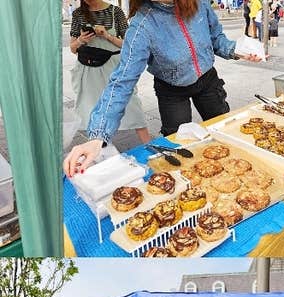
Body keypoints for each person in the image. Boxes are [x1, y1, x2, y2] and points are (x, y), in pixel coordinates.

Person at [63, 0, 264, 177]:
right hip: (171, 90)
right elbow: (122, 81)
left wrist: (236, 50)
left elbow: (217, 39)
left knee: (225, 132)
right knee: (177, 150)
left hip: (208, 81)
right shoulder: (142, 26)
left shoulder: (200, 3)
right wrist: (98, 136)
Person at [69, 0, 152, 147]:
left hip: (113, 67)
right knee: (92, 108)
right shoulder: (78, 14)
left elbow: (128, 43)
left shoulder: (115, 11)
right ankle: (98, 150)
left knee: (131, 104)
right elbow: (73, 48)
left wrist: (107, 35)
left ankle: (150, 145)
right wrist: (81, 40)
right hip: (89, 70)